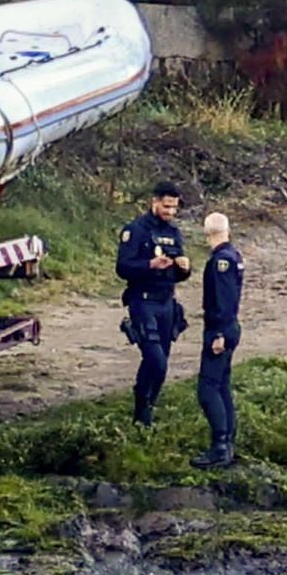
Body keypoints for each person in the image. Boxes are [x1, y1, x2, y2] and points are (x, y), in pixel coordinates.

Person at [115, 180, 192, 427]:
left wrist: (184, 268)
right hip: (143, 301)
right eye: (166, 206)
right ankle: (141, 408)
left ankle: (147, 409)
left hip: (167, 303)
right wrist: (149, 265)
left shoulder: (174, 233)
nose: (170, 212)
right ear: (155, 202)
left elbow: (180, 273)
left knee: (162, 363)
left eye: (174, 208)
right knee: (155, 359)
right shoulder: (136, 230)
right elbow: (123, 267)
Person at [191, 212, 244, 469]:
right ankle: (227, 442)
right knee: (221, 386)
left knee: (208, 388)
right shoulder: (233, 256)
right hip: (229, 326)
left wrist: (219, 334)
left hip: (220, 328)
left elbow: (223, 301)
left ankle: (220, 445)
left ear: (206, 233)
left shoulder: (220, 261)